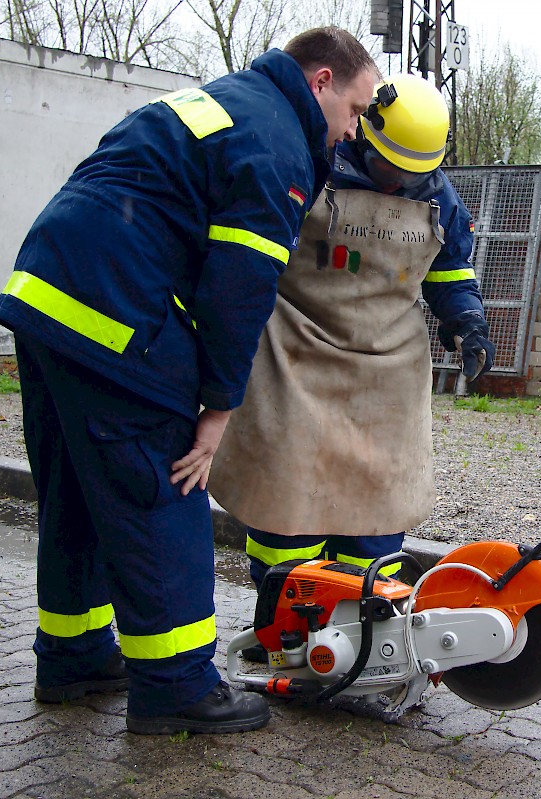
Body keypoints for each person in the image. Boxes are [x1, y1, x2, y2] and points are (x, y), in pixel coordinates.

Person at [0, 27, 380, 736]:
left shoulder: (227, 101)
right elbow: (238, 290)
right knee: (163, 489)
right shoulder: (279, 147)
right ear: (320, 81)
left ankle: (73, 655)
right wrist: (217, 409)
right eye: (353, 111)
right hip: (115, 313)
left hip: (47, 292)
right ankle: (174, 686)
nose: (351, 133)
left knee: (77, 487)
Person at [208, 73, 494, 623]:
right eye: (391, 169)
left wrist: (467, 325)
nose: (398, 184)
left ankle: (363, 637)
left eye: (414, 173)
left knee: (378, 507)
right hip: (293, 358)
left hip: (386, 377)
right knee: (287, 507)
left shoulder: (438, 196)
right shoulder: (312, 165)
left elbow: (451, 271)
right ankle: (285, 629)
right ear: (365, 135)